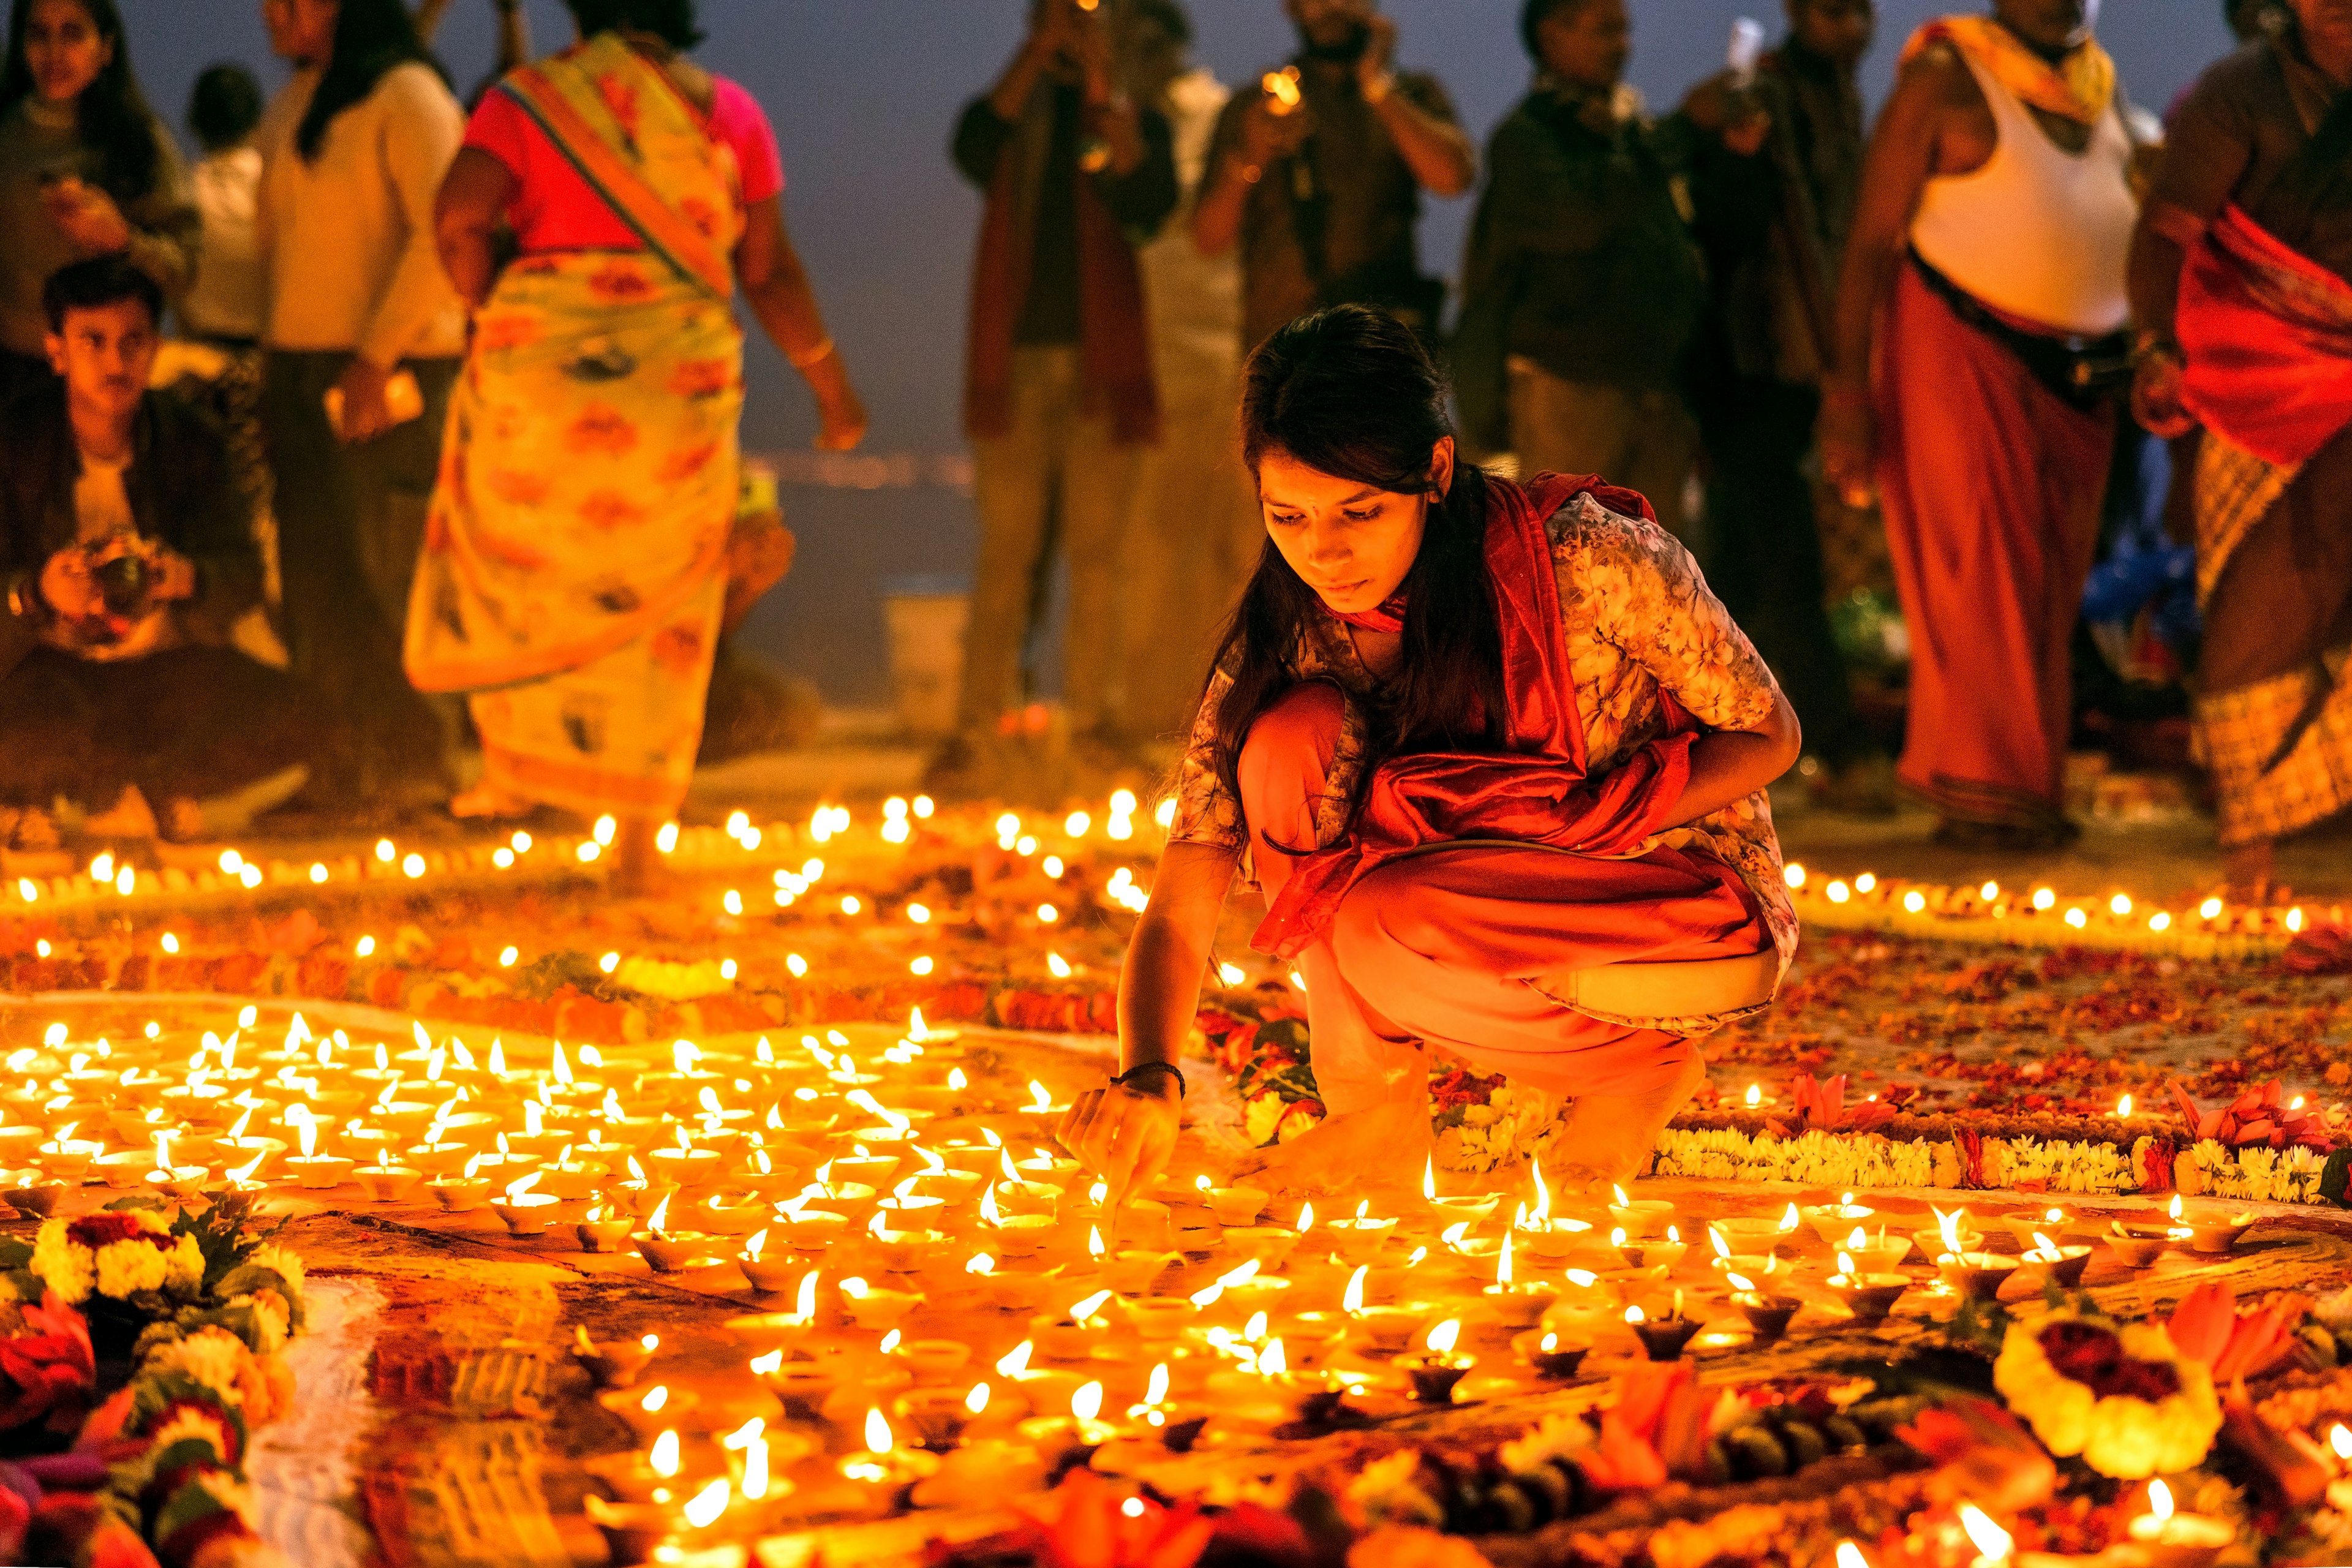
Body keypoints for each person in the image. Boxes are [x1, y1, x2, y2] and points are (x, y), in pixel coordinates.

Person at [1056, 306, 1801, 1204]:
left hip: (1666, 906)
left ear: (1437, 471)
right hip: (1459, 907)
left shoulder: (1586, 559)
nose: (1323, 553)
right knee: (1283, 745)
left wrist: (1591, 821)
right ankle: (1375, 1109)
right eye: (1287, 516)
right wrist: (1148, 1079)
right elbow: (1181, 905)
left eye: (1359, 512)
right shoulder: (1292, 631)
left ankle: (1637, 1072)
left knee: (1376, 923)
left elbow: (1771, 733)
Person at [420, 0, 867, 895]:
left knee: (534, 576)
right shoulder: (727, 115)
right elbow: (767, 271)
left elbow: (458, 216)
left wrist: (498, 307)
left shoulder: (527, 100)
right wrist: (831, 388)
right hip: (672, 400)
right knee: (667, 609)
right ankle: (633, 844)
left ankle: (520, 784)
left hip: (545, 388)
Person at [1822, 0, 2140, 850]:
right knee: (1980, 567)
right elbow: (1865, 245)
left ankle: (2026, 791)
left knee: (2048, 582)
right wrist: (1847, 397)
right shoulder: (1944, 82)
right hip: (1959, 346)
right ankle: (1985, 800)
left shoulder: (2099, 91)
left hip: (2078, 378)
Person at [2130, 0, 2352, 901]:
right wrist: (2158, 347)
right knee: (2262, 606)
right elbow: (2164, 235)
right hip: (2257, 385)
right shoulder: (2240, 94)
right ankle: (2255, 847)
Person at [937, 0, 1180, 788]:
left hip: (1101, 371)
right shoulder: (1012, 112)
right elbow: (972, 145)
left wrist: (1103, 83)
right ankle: (976, 730)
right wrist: (1039, 56)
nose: (1074, 24)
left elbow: (1147, 204)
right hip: (1014, 365)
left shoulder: (1137, 121)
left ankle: (1098, 726)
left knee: (1101, 557)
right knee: (1005, 556)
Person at [0, 258, 322, 848]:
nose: (116, 363)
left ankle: (108, 787)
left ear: (156, 346)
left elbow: (242, 571)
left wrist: (187, 578)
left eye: (134, 342)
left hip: (153, 670)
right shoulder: (14, 442)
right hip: (44, 670)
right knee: (38, 723)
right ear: (57, 351)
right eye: (92, 342)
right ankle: (118, 788)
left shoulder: (188, 437)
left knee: (299, 713)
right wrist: (38, 594)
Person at [255, 0, 466, 809]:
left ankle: (414, 767)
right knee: (318, 582)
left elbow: (440, 234)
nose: (276, 13)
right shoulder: (298, 105)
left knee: (390, 576)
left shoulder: (409, 96)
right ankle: (337, 765)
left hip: (391, 371)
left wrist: (378, 355)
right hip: (300, 371)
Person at [1455, 0, 1758, 539]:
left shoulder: (1630, 130)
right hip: (1571, 392)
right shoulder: (1527, 138)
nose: (1621, 45)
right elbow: (1578, 219)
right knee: (1574, 558)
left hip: (1657, 390)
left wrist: (1731, 155)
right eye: (1604, 30)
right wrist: (1683, 129)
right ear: (1552, 37)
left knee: (1661, 572)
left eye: (1624, 30)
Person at [1687, 0, 1889, 808]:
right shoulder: (1762, 97)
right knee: (1783, 564)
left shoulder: (1837, 96)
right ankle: (1835, 748)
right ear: (1801, 15)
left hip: (1798, 365)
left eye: (1860, 13)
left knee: (1735, 568)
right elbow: (1732, 228)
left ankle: (1720, 754)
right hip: (1755, 361)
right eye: (1835, 13)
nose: (1853, 29)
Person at [1112, 0, 1261, 742]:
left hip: (1226, 347)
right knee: (1154, 545)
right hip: (1151, 356)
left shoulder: (1216, 116)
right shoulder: (1120, 123)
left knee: (1238, 545)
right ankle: (1153, 708)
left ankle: (1231, 708)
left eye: (1141, 37)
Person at [1194, 0, 1474, 352]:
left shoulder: (1409, 93)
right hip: (1285, 347)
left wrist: (1378, 89)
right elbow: (1207, 239)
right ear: (1292, 8)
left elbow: (1455, 179)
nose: (1330, 7)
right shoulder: (1255, 106)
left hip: (1380, 343)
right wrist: (1251, 160)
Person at [0, 0, 197, 405]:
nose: (54, 53)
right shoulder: (7, 137)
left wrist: (121, 239)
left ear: (106, 48)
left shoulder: (138, 142)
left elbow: (183, 272)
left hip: (108, 374)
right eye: (39, 34)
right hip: (13, 372)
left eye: (73, 34)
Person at [181, 63, 265, 347]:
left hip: (202, 347)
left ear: (196, 123)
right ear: (257, 120)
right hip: (271, 349)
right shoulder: (275, 185)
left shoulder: (185, 190)